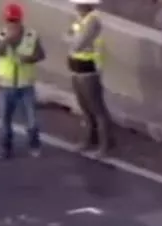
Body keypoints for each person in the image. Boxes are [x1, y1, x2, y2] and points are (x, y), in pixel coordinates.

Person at [0, 3, 46, 159]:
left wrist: (29, 59)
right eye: (9, 20)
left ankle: (34, 144)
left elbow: (41, 55)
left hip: (25, 84)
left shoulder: (31, 35)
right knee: (5, 120)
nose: (12, 23)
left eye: (15, 20)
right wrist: (6, 40)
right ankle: (5, 148)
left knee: (32, 120)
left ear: (20, 20)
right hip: (5, 85)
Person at [65, 0, 115, 156]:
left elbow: (77, 44)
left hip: (88, 70)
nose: (76, 6)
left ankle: (105, 145)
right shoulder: (81, 20)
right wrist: (71, 38)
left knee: (97, 109)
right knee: (85, 109)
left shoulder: (92, 21)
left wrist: (72, 38)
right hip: (76, 68)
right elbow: (68, 36)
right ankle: (89, 139)